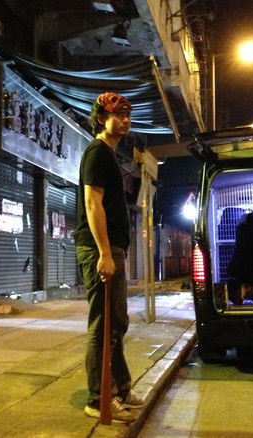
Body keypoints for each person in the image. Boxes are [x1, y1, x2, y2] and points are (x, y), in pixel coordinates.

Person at [74, 92, 143, 423]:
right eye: (119, 115)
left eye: (128, 115)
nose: (126, 120)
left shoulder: (109, 155)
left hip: (112, 248)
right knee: (102, 325)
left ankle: (121, 388)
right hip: (99, 249)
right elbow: (92, 203)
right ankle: (98, 398)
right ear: (102, 118)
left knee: (116, 322)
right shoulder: (97, 152)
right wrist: (104, 252)